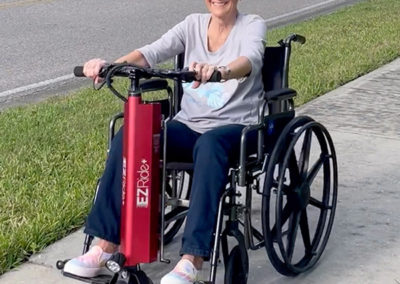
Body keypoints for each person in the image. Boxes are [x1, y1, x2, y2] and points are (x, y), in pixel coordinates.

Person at [63, 0, 266, 283]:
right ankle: (105, 245)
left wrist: (220, 71)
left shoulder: (252, 24)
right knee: (132, 136)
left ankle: (190, 259)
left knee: (209, 145)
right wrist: (110, 66)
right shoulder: (192, 24)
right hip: (189, 124)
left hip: (236, 127)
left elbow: (251, 60)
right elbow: (151, 52)